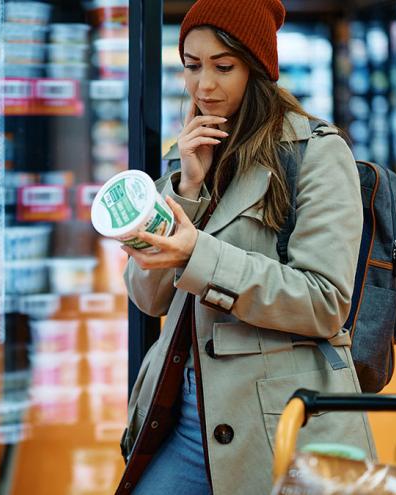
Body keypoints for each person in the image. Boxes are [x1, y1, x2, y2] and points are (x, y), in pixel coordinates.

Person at [114, 0, 375, 494]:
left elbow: (325, 302)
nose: (203, 85)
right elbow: (149, 299)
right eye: (192, 66)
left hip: (276, 421)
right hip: (180, 413)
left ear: (257, 68)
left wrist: (199, 257)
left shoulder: (317, 153)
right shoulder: (189, 153)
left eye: (223, 66)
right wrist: (187, 191)